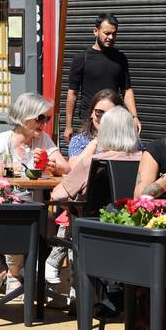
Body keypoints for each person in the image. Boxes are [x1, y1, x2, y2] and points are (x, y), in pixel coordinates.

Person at [45, 106, 142, 286]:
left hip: (93, 231)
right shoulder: (145, 160)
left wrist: (71, 205)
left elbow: (57, 195)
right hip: (134, 231)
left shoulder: (93, 162)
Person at [0, 92, 71, 297]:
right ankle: (14, 274)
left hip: (36, 203)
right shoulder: (3, 141)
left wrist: (52, 164)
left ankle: (28, 273)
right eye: (40, 118)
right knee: (19, 219)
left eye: (47, 118)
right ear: (24, 116)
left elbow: (66, 167)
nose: (44, 124)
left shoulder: (42, 140)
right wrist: (12, 168)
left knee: (51, 222)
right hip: (7, 202)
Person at [64, 13, 140, 144]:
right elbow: (72, 94)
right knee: (89, 159)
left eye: (114, 34)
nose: (111, 37)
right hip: (90, 122)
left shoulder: (120, 58)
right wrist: (68, 126)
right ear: (95, 31)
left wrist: (134, 116)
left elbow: (127, 91)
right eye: (107, 33)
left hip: (115, 120)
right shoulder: (82, 58)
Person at [68, 89, 125, 168]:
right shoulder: (79, 140)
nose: (104, 119)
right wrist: (96, 142)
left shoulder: (129, 141)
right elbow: (73, 168)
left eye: (110, 114)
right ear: (92, 113)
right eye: (99, 112)